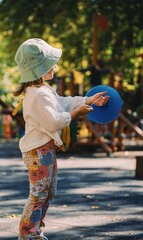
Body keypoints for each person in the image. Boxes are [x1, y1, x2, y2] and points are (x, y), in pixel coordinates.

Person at [13, 38, 109, 240]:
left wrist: (89, 100)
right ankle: (27, 234)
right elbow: (53, 122)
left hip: (45, 149)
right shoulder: (38, 95)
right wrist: (77, 114)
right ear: (40, 68)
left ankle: (35, 230)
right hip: (37, 151)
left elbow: (64, 103)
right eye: (50, 63)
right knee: (39, 193)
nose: (54, 65)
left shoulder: (45, 91)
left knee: (49, 192)